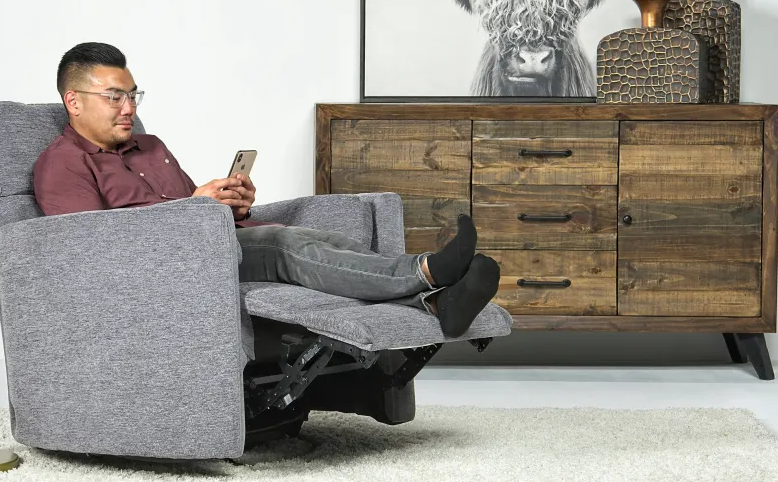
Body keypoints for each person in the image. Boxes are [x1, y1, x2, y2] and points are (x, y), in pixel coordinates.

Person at [33, 42, 500, 337]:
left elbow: (189, 206)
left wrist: (230, 204)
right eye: (114, 96)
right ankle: (428, 271)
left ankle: (436, 302)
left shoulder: (150, 146)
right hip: (174, 267)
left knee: (326, 242)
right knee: (282, 244)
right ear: (73, 101)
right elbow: (94, 250)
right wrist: (194, 209)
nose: (129, 107)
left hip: (220, 242)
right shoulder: (62, 165)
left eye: (133, 94)